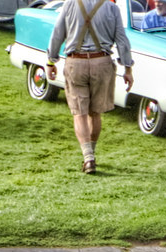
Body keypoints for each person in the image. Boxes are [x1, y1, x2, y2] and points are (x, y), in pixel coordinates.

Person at [47, 0, 134, 173]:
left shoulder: (69, 4)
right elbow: (122, 41)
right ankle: (91, 154)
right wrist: (128, 69)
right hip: (102, 62)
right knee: (95, 113)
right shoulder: (112, 8)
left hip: (75, 62)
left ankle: (88, 158)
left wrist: (51, 62)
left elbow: (57, 34)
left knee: (80, 113)